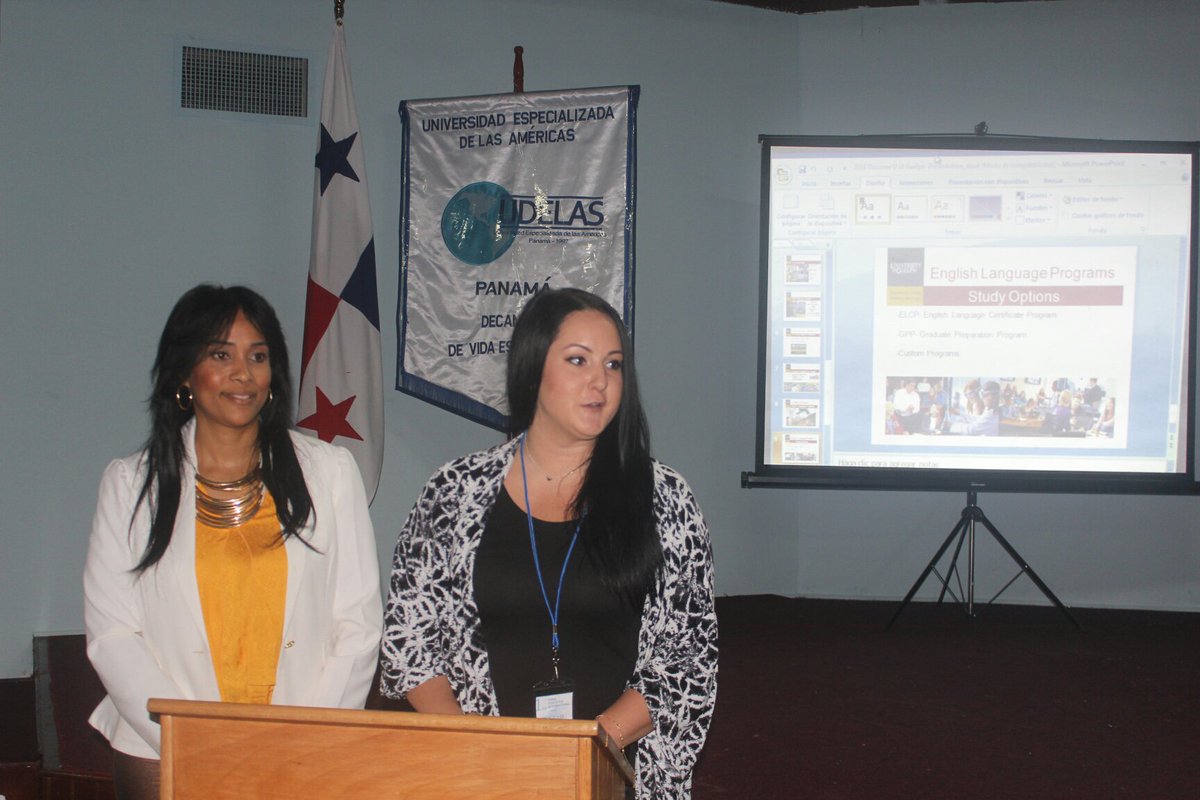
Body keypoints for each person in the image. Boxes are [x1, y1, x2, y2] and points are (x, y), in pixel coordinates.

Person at [379, 288, 717, 799]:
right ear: (533, 369)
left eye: (613, 364)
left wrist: (591, 750)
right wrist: (475, 751)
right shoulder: (453, 492)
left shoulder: (665, 498)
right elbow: (410, 644)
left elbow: (688, 661)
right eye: (578, 360)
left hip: (613, 769)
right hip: (481, 771)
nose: (600, 381)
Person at [83, 285, 382, 800]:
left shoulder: (330, 473)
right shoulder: (131, 484)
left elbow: (357, 624)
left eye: (258, 356)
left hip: (301, 751)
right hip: (165, 749)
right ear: (185, 373)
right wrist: (197, 738)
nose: (243, 373)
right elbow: (112, 634)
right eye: (221, 354)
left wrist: (300, 737)